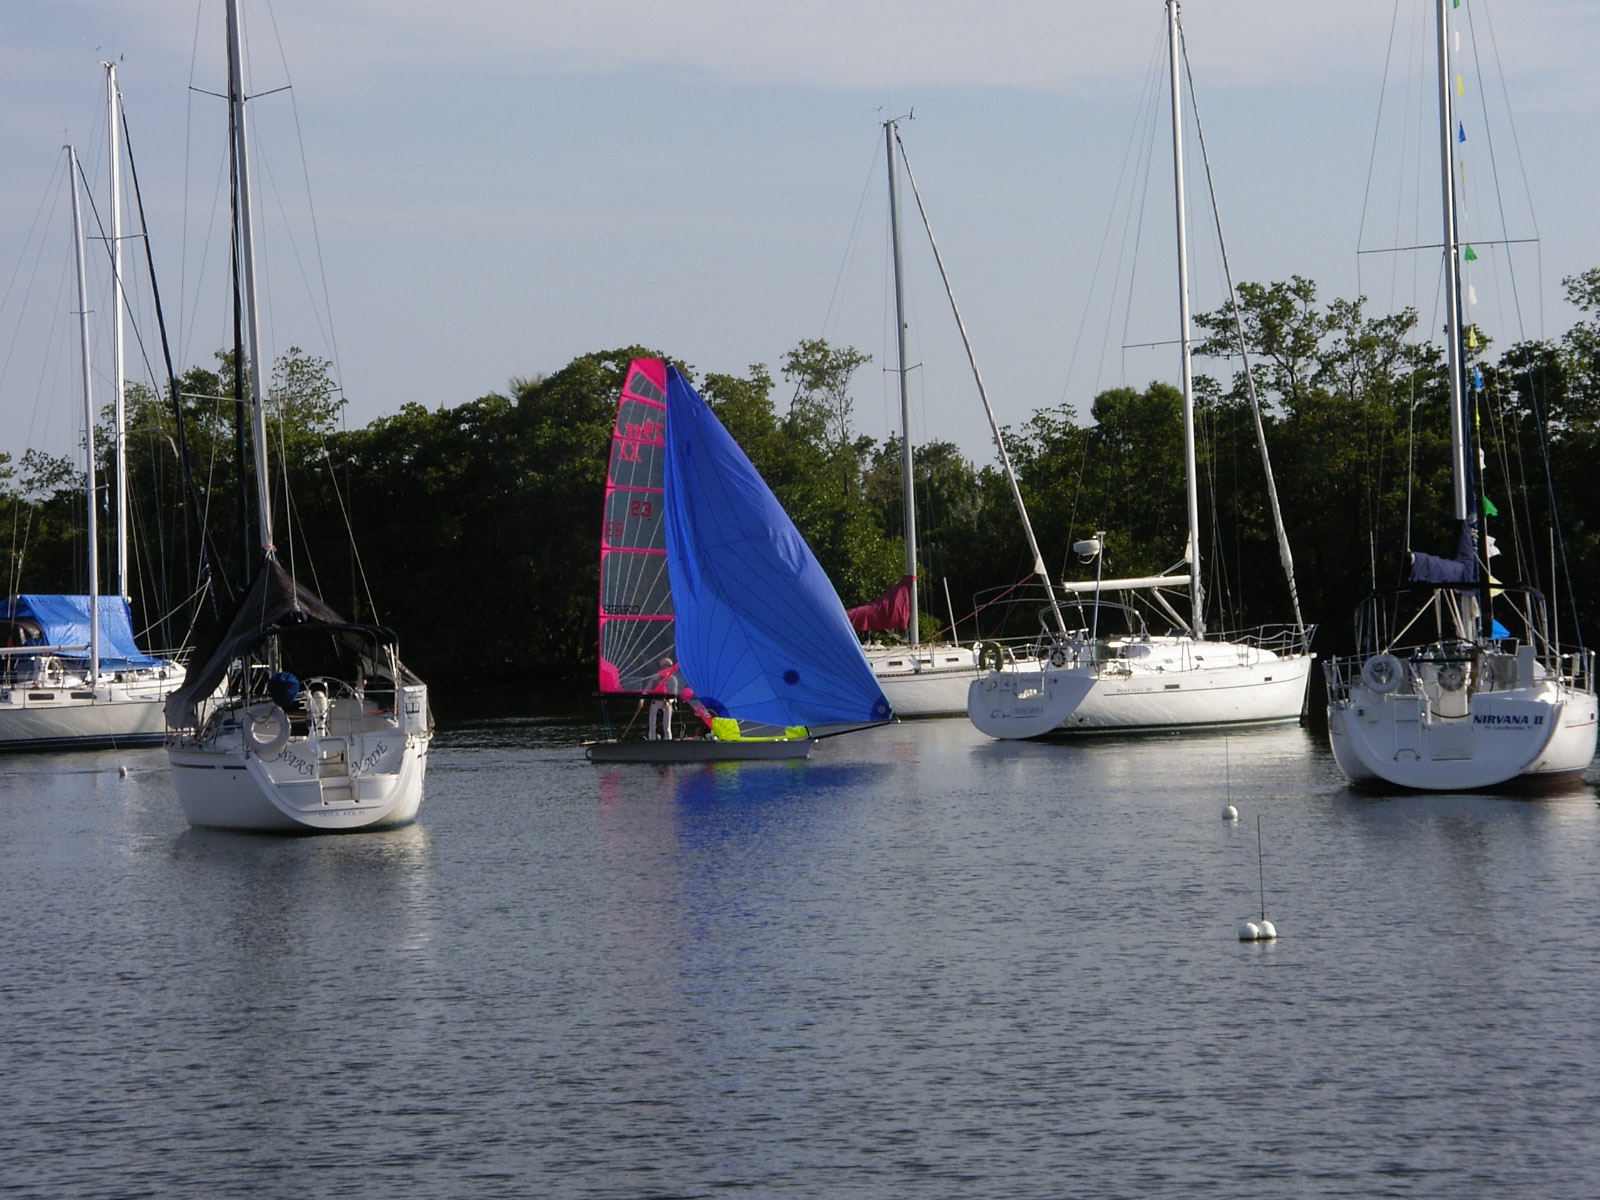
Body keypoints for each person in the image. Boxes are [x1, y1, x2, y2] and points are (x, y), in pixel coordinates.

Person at [647, 656, 678, 740]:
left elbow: (674, 693)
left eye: (669, 666)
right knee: (652, 724)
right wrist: (642, 699)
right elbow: (647, 689)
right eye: (666, 666)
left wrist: (669, 702)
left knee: (667, 726)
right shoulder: (655, 678)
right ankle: (652, 740)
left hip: (667, 703)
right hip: (655, 701)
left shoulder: (673, 679)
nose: (667, 668)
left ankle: (668, 740)